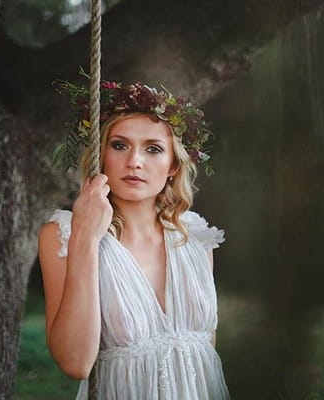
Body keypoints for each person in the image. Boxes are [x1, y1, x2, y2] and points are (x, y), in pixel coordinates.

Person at [38, 80, 230, 399]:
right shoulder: (64, 234)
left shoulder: (195, 237)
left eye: (153, 149)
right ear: (101, 155)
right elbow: (75, 363)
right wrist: (86, 238)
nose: (135, 162)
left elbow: (205, 352)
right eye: (119, 145)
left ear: (173, 165)